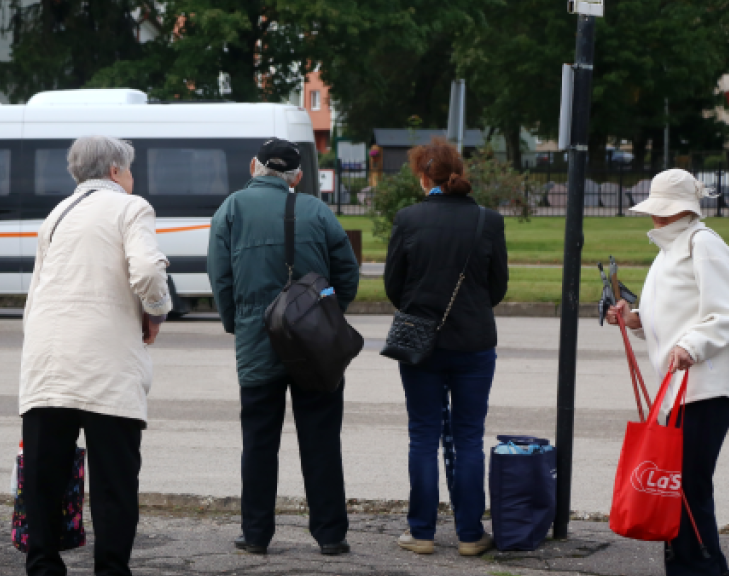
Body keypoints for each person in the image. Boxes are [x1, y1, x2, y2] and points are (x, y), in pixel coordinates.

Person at [19, 136, 172, 576]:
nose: (131, 177)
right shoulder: (131, 207)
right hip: (107, 365)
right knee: (114, 480)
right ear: (113, 171)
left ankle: (44, 565)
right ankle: (110, 568)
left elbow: (37, 289)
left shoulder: (56, 215)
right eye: (129, 169)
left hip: (48, 363)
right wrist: (157, 312)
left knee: (44, 477)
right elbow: (145, 269)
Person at [206, 138, 360, 556]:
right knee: (322, 438)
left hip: (258, 340)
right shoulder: (316, 209)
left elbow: (220, 278)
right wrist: (328, 312)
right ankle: (330, 535)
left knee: (259, 441)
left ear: (254, 165)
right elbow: (347, 271)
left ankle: (256, 534)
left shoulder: (231, 210)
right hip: (316, 343)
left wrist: (235, 324)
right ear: (297, 176)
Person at [606, 169, 729, 576]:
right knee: (679, 487)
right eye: (656, 211)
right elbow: (671, 312)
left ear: (685, 209)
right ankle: (690, 566)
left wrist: (691, 345)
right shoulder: (671, 248)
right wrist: (633, 319)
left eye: (664, 212)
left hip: (706, 386)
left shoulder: (703, 244)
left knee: (687, 488)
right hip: (682, 388)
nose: (656, 219)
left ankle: (702, 569)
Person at [384, 137, 508, 556]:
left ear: (423, 176)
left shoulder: (408, 219)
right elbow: (497, 286)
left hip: (421, 344)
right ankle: (471, 533)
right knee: (469, 438)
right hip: (474, 342)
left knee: (422, 435)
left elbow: (394, 287)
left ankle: (420, 531)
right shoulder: (487, 221)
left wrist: (422, 309)